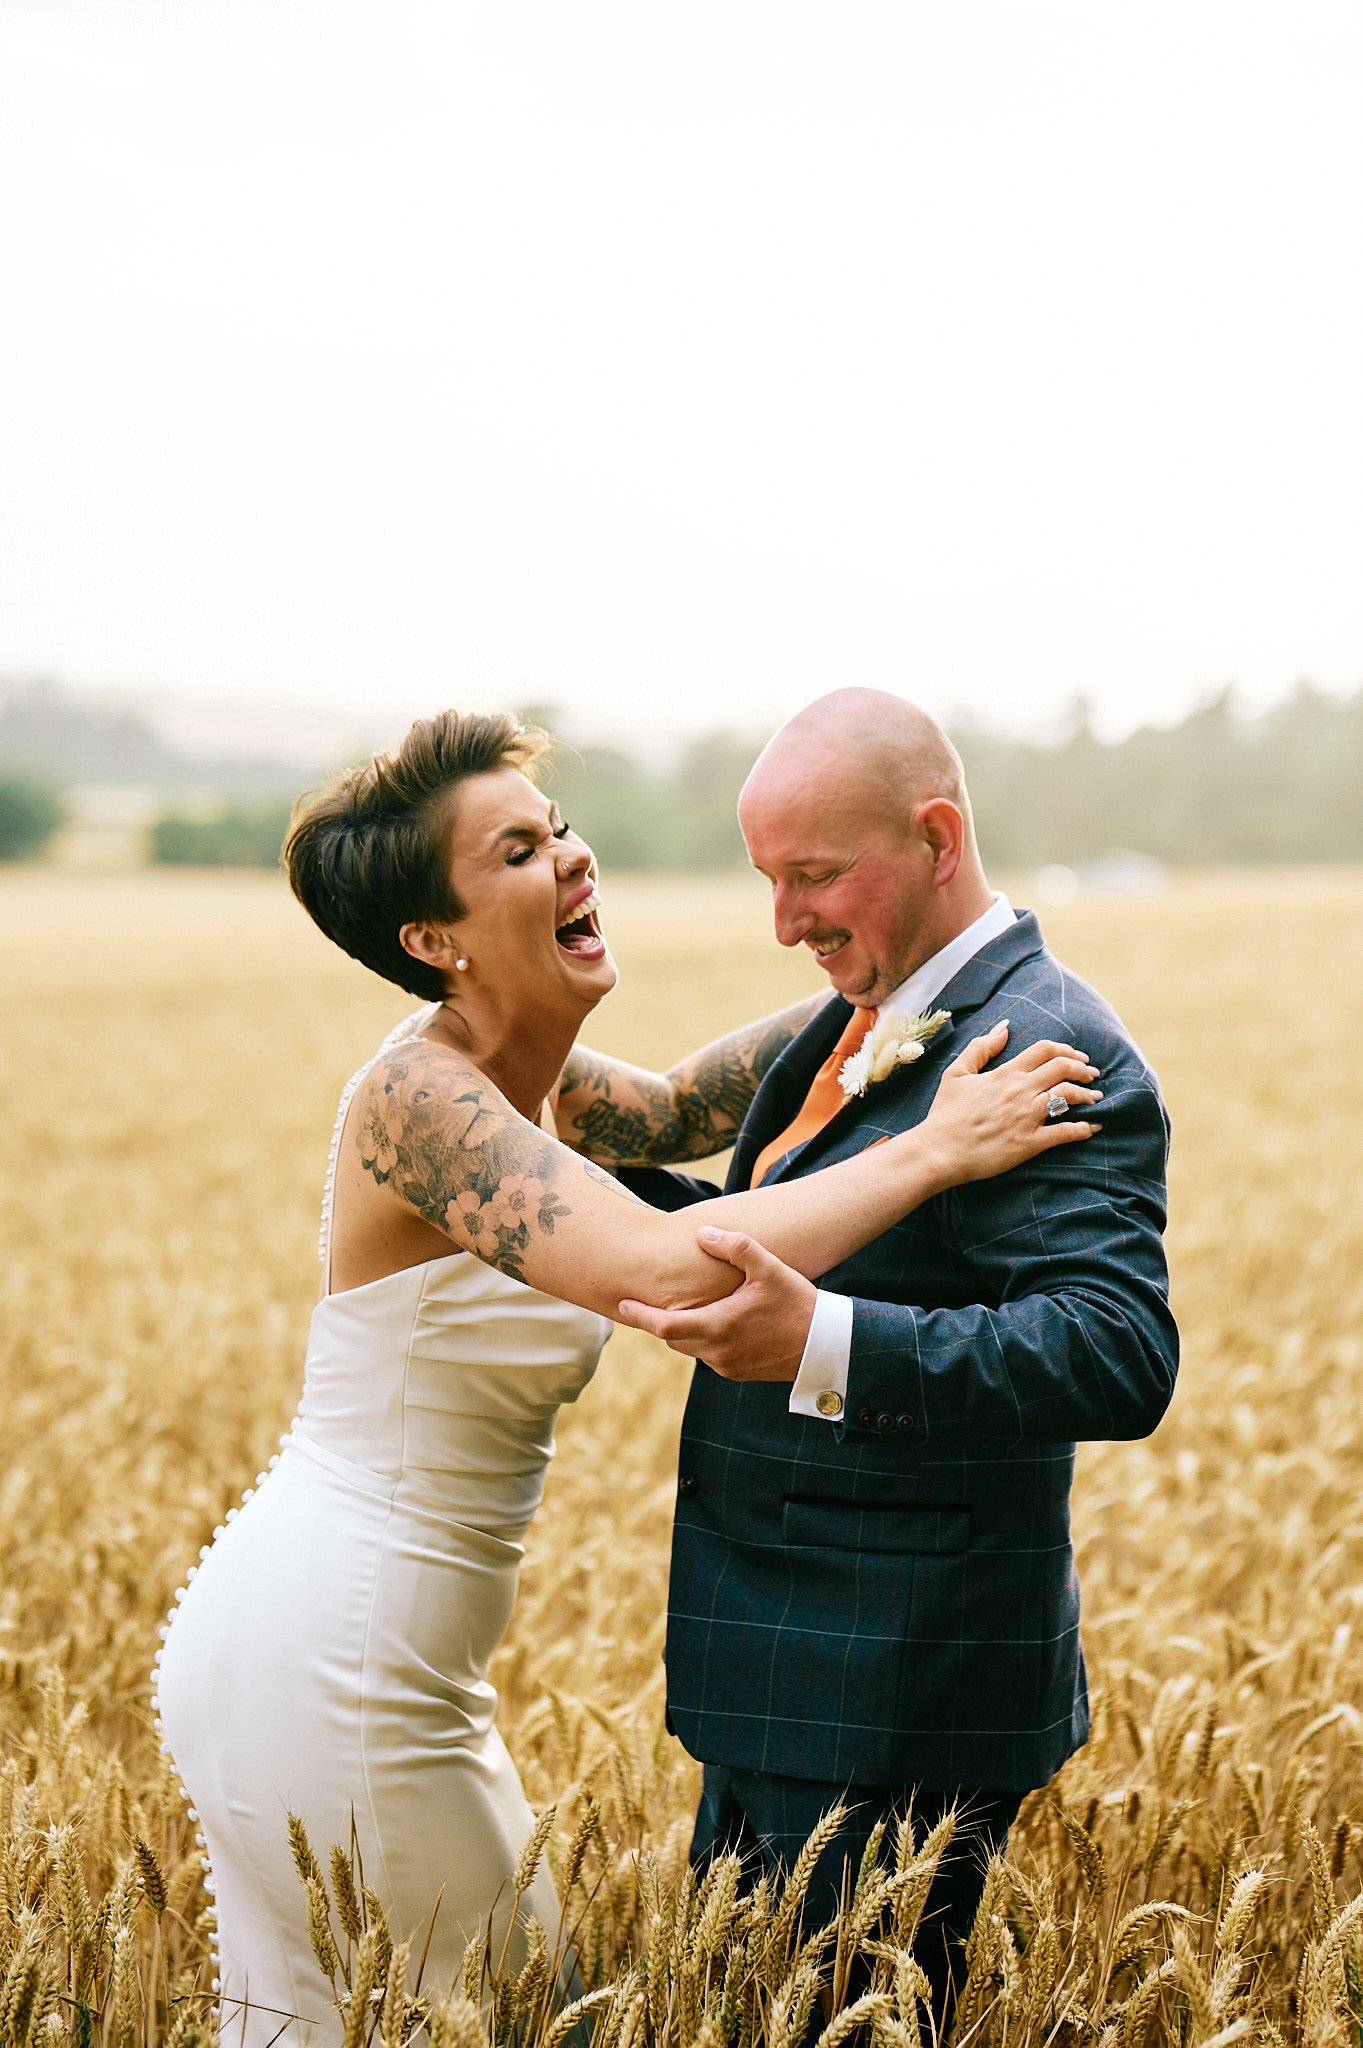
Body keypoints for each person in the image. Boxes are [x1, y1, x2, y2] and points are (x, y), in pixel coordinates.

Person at [152, 708, 1101, 2045]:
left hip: (383, 1655)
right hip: (333, 1652)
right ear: (436, 940)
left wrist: (949, 959)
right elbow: (671, 1268)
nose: (575, 859)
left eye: (561, 827)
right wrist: (935, 1151)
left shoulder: (533, 1083)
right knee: (515, 2019)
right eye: (523, 850)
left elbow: (682, 1111)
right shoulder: (420, 1105)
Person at [563, 689, 1179, 2027]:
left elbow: (1120, 1351)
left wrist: (823, 1344)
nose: (785, 920)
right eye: (767, 880)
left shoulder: (1048, 1046)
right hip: (781, 1654)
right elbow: (786, 1230)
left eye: (814, 875)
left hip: (899, 1679)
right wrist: (576, 1203)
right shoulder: (860, 1016)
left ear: (938, 836)